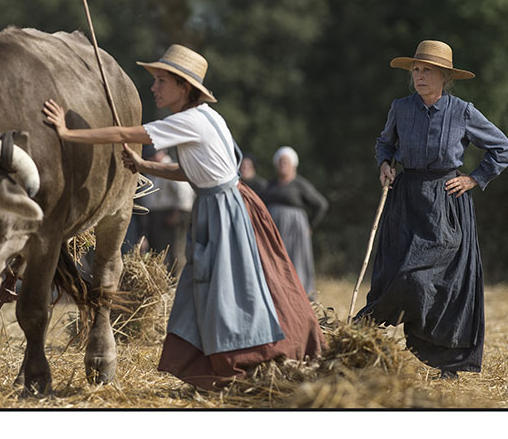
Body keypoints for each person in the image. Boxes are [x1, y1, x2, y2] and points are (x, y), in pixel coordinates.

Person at [43, 44, 324, 390]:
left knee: (230, 291)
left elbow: (123, 133)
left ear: (184, 86)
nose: (154, 87)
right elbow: (196, 172)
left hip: (225, 212)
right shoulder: (208, 117)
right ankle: (220, 367)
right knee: (214, 288)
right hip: (226, 204)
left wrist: (67, 133)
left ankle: (245, 365)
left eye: (161, 80)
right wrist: (144, 165)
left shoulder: (189, 120)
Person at [355, 40, 508, 379]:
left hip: (446, 204)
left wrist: (474, 178)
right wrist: (385, 164)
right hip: (406, 201)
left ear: (445, 77)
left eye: (428, 70)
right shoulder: (400, 108)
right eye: (416, 69)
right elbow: (385, 143)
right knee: (398, 274)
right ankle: (361, 338)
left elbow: (501, 147)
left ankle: (448, 365)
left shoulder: (463, 111)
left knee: (440, 283)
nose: (420, 76)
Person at [263, 146, 328, 298]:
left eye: (286, 162)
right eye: (280, 162)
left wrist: (310, 225)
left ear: (293, 164)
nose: (283, 165)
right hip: (274, 229)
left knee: (296, 259)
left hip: (294, 229)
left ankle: (300, 294)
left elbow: (321, 204)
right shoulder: (271, 184)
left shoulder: (299, 184)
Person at [136, 147, 195, 277]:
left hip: (170, 214)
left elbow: (184, 194)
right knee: (159, 251)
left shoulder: (170, 167)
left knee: (173, 251)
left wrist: (176, 214)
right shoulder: (153, 169)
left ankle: (174, 278)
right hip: (155, 215)